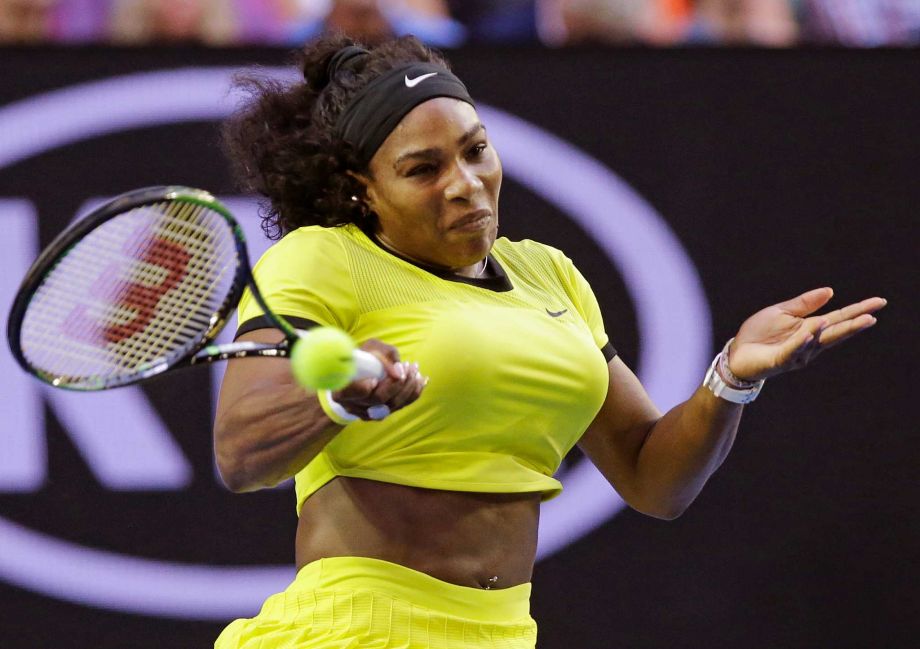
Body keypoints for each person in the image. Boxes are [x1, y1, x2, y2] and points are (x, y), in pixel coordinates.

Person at [213, 34, 886, 648]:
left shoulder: (548, 272)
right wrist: (339, 403)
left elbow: (655, 479)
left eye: (475, 149)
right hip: (356, 631)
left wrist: (732, 378)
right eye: (423, 169)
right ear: (363, 190)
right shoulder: (324, 259)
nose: (466, 184)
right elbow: (241, 452)